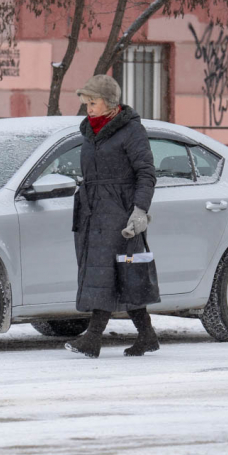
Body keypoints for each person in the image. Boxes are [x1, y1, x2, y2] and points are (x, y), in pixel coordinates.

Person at [65, 74, 160, 359]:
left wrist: (139, 210)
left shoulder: (131, 131)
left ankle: (92, 339)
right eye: (86, 103)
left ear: (110, 103)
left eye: (93, 102)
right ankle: (147, 335)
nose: (88, 108)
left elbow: (146, 173)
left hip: (119, 212)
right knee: (122, 274)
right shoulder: (90, 132)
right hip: (93, 211)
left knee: (106, 272)